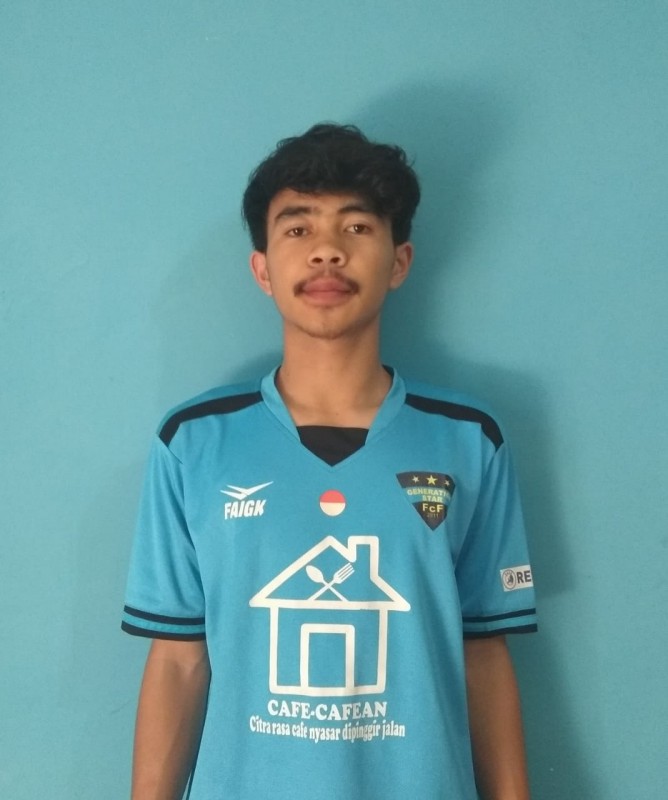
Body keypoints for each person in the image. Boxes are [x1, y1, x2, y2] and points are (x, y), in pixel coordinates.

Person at [122, 123, 537, 800]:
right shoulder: (194, 443)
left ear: (399, 261)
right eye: (297, 228)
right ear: (262, 269)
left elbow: (484, 653)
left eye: (356, 227)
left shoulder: (467, 439)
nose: (326, 251)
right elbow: (176, 659)